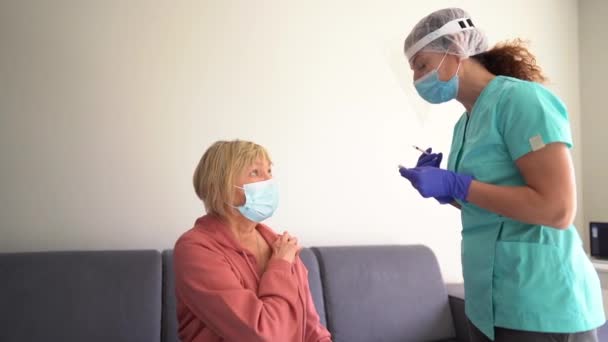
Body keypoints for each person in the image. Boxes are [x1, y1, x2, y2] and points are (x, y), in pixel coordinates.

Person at [399, 8, 604, 342]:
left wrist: (457, 184)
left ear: (456, 50)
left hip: (542, 300)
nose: (417, 79)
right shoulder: (464, 124)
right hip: (488, 302)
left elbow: (557, 209)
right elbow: (491, 207)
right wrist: (449, 194)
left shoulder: (522, 101)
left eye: (422, 64)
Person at [173, 139, 331, 342]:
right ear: (222, 186)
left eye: (269, 171)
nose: (269, 181)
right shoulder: (195, 250)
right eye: (255, 172)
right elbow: (262, 334)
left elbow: (310, 328)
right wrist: (280, 266)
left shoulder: (279, 244)